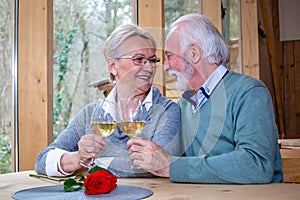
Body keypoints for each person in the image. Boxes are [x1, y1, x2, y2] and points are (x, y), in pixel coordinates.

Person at [127, 14, 283, 184]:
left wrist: (172, 167)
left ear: (194, 54)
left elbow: (257, 165)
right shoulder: (184, 104)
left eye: (170, 56)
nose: (164, 66)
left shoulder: (249, 92)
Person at [35, 24, 180, 177]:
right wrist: (78, 158)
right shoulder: (91, 113)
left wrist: (90, 165)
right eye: (139, 59)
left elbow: (156, 167)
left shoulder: (167, 110)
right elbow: (42, 161)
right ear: (112, 66)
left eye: (152, 60)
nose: (149, 67)